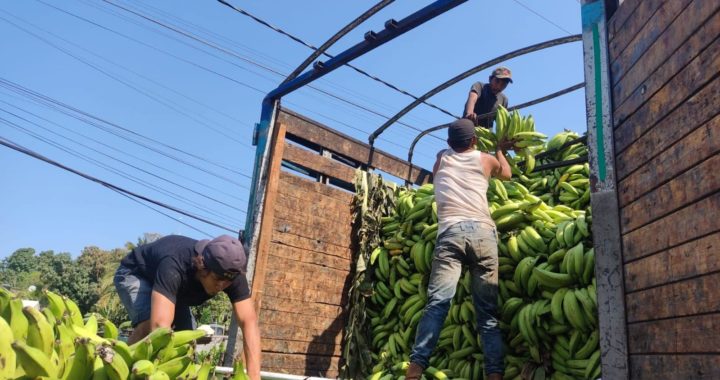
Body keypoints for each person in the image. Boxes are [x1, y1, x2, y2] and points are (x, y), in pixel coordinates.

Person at [405, 119, 512, 380]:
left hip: (450, 233)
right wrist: (500, 150)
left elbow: (437, 166)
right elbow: (507, 174)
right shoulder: (485, 160)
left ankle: (415, 369)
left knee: (437, 304)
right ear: (474, 141)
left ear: (449, 143)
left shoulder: (442, 159)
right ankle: (495, 375)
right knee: (486, 313)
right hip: (483, 234)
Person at [114, 234, 261, 379]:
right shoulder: (175, 264)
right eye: (217, 279)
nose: (221, 286)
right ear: (203, 267)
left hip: (173, 292)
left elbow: (249, 322)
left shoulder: (231, 273)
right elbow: (160, 328)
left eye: (228, 282)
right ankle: (118, 370)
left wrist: (254, 376)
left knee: (187, 345)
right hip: (136, 274)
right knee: (150, 325)